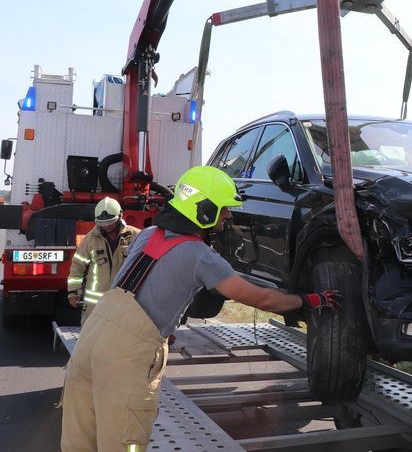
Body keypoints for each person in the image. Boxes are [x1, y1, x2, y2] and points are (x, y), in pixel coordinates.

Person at [60, 166, 340, 452]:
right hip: (124, 358)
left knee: (79, 442)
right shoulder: (200, 256)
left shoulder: (147, 235)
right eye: (223, 209)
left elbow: (147, 283)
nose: (229, 215)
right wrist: (309, 301)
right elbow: (262, 299)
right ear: (204, 210)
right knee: (125, 444)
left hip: (90, 340)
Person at [66, 197, 140, 324]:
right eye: (102, 223)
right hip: (96, 303)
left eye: (110, 222)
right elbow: (77, 266)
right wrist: (73, 292)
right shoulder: (90, 240)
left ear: (120, 215)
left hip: (125, 300)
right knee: (92, 336)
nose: (106, 226)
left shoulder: (135, 236)